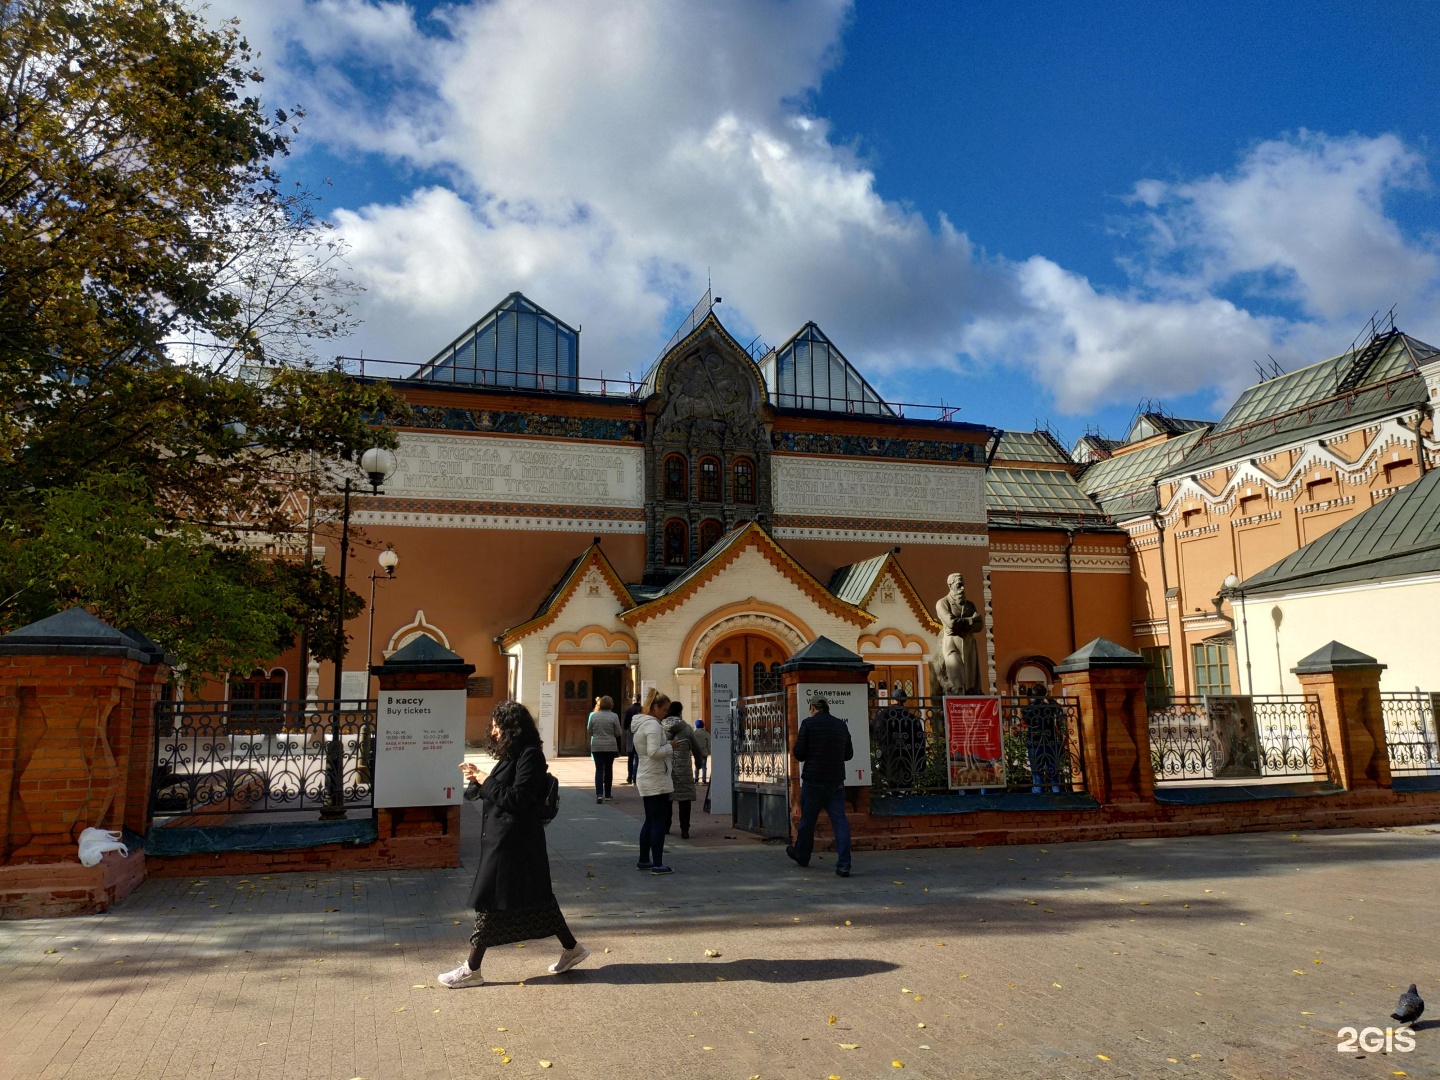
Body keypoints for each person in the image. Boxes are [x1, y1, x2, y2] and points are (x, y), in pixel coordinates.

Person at [439, 701, 587, 988]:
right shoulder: (513, 754)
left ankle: (472, 970)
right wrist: (477, 778)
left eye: (498, 725)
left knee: (490, 904)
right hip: (508, 841)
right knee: (538, 900)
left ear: (512, 728)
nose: (493, 731)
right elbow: (498, 791)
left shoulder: (531, 756)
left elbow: (518, 799)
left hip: (514, 843)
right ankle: (572, 949)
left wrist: (485, 779)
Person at [786, 695, 854, 877]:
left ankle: (802, 855)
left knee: (808, 820)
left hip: (813, 780)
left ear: (814, 708)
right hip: (836, 781)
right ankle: (844, 864)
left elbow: (799, 754)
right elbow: (849, 754)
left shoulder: (808, 724)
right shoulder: (841, 725)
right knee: (840, 822)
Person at [633, 689, 682, 874]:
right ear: (655, 707)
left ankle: (645, 860)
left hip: (647, 775)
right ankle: (657, 863)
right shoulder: (652, 726)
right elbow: (654, 752)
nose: (666, 713)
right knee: (658, 822)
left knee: (650, 821)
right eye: (664, 709)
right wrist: (670, 746)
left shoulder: (641, 724)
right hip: (655, 777)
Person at [935, 572, 983, 695]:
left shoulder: (970, 605)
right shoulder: (942, 603)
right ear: (950, 586)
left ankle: (973, 709)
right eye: (959, 585)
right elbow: (951, 623)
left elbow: (980, 626)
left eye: (963, 585)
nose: (962, 589)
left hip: (969, 647)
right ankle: (955, 709)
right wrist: (970, 621)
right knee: (956, 681)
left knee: (971, 684)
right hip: (952, 646)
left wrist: (960, 625)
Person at [662, 700, 700, 839]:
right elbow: (696, 748)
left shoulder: (661, 727)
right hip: (683, 770)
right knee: (684, 801)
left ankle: (666, 827)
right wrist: (699, 763)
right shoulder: (687, 728)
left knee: (667, 799)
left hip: (666, 769)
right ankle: (685, 830)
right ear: (680, 712)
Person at [586, 694, 623, 803]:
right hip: (610, 746)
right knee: (608, 769)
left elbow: (589, 731)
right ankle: (608, 793)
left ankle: (599, 794)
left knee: (598, 770)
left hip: (597, 745)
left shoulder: (594, 716)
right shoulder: (614, 716)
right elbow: (618, 732)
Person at [622, 695, 643, 784]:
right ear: (640, 700)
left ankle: (630, 776)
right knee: (638, 757)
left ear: (633, 700)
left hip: (631, 734)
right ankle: (635, 777)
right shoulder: (642, 709)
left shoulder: (628, 709)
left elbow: (625, 724)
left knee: (630, 758)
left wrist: (627, 728)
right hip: (640, 733)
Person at [692, 718, 711, 784]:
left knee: (696, 765)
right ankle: (704, 780)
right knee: (704, 766)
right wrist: (709, 751)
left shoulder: (693, 733)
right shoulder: (706, 734)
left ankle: (696, 779)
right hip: (704, 752)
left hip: (696, 752)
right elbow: (709, 744)